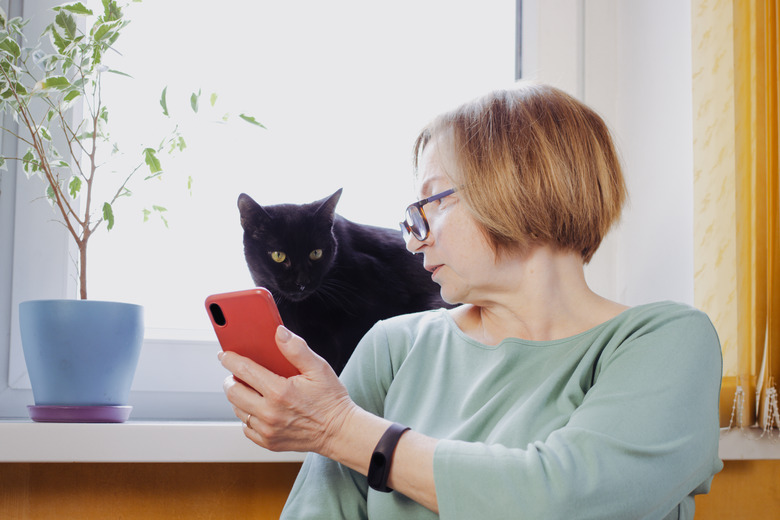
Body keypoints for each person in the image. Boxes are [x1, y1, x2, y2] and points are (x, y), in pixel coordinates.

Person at [220, 83, 723, 519]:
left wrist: (339, 428)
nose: (414, 240)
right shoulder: (393, 347)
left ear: (522, 187)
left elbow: (562, 501)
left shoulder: (666, 342)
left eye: (430, 205)